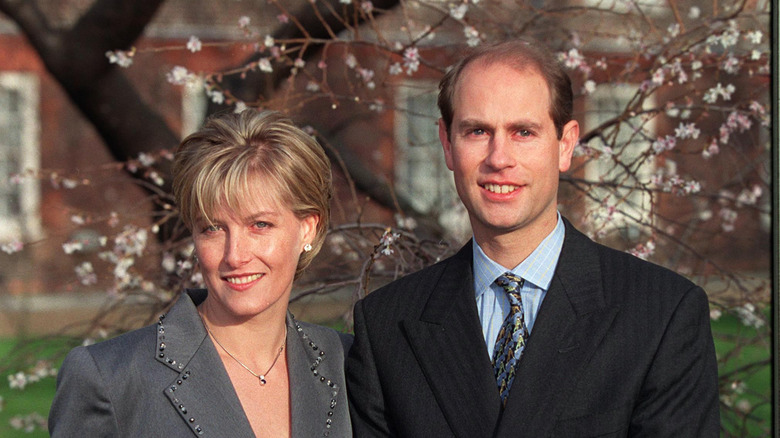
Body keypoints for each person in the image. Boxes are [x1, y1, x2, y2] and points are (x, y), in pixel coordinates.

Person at [345, 39, 719, 437]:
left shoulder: (662, 314)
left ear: (566, 144)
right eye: (477, 131)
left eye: (523, 131)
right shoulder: (386, 326)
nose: (499, 158)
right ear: (447, 144)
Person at [49, 109, 352, 437]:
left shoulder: (351, 365)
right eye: (213, 228)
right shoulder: (111, 379)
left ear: (308, 229)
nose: (235, 255)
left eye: (260, 225)